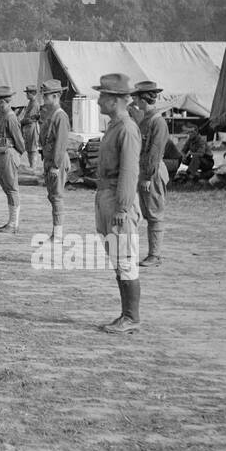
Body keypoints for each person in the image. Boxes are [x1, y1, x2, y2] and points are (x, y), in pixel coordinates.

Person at [92, 73, 144, 334]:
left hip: (117, 198)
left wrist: (123, 209)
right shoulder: (114, 126)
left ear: (114, 100)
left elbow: (129, 173)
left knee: (125, 258)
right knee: (117, 257)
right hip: (107, 196)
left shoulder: (126, 128)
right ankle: (125, 315)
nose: (99, 100)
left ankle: (131, 317)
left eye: (103, 95)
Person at [131, 80, 169, 267]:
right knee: (147, 213)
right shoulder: (145, 119)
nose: (134, 101)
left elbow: (155, 151)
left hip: (152, 173)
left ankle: (155, 255)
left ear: (143, 99)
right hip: (144, 171)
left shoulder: (157, 122)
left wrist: (147, 176)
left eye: (136, 98)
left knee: (154, 213)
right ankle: (152, 254)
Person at [0, 85, 27, 234]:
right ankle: (11, 222)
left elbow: (19, 140)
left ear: (2, 101)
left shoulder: (10, 116)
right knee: (7, 188)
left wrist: (16, 154)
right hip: (1, 153)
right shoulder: (2, 114)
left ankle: (14, 223)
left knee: (12, 188)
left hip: (8, 153)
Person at [39, 79, 70, 241]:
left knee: (57, 196)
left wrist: (56, 166)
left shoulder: (60, 116)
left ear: (56, 96)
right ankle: (56, 232)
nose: (44, 99)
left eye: (46, 96)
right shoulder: (51, 115)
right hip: (50, 159)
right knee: (52, 196)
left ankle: (58, 234)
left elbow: (61, 143)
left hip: (57, 160)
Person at [21, 84, 41, 169]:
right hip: (29, 128)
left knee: (33, 149)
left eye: (28, 93)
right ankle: (31, 166)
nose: (26, 95)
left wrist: (21, 121)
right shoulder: (31, 102)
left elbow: (31, 118)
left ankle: (33, 167)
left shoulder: (34, 103)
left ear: (32, 93)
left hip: (32, 127)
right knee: (29, 148)